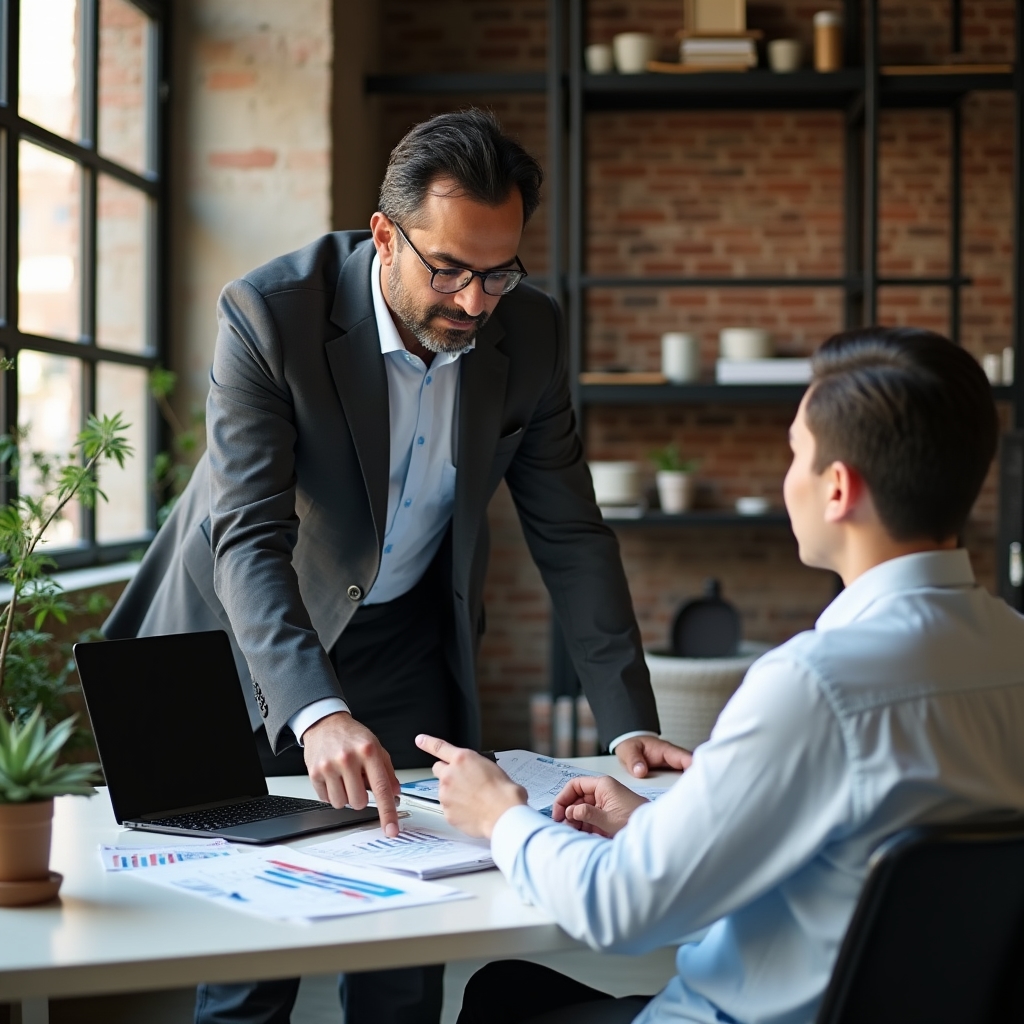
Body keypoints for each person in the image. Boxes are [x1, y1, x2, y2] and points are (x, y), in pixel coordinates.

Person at [104, 109, 688, 1024]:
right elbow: (249, 537)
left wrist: (626, 722)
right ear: (384, 235)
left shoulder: (527, 333)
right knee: (254, 953)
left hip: (404, 637)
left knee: (417, 929)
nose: (473, 301)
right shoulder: (268, 314)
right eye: (448, 269)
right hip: (243, 641)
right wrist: (317, 709)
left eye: (499, 272)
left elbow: (570, 532)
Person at [419, 326, 1024, 1024]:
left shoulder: (813, 685)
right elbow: (859, 854)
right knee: (509, 991)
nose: (784, 474)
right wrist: (660, 824)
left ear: (837, 489)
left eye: (795, 452)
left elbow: (619, 913)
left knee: (498, 997)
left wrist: (502, 816)